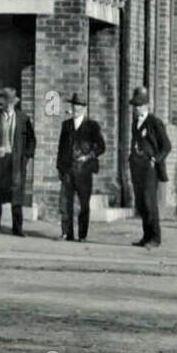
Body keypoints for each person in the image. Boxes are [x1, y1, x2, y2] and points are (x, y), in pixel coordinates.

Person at [0, 87, 35, 237]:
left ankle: (17, 229)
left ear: (14, 103)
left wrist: (26, 158)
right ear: (2, 103)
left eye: (10, 102)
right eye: (5, 102)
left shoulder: (23, 118)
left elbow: (31, 140)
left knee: (16, 194)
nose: (8, 105)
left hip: (16, 162)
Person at [56, 92, 106, 242]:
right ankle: (66, 233)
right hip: (67, 170)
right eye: (75, 105)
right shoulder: (66, 125)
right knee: (65, 203)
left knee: (84, 204)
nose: (77, 108)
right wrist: (59, 167)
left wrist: (89, 156)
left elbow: (101, 147)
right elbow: (61, 148)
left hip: (84, 171)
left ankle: (82, 235)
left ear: (85, 108)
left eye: (80, 105)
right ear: (71, 106)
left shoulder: (92, 126)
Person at [128, 86, 170, 248]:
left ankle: (155, 238)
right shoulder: (135, 123)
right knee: (140, 203)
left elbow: (166, 145)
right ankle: (146, 236)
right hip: (136, 167)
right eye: (135, 105)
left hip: (149, 168)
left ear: (147, 105)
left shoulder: (154, 122)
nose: (137, 108)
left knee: (149, 202)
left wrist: (155, 159)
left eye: (140, 105)